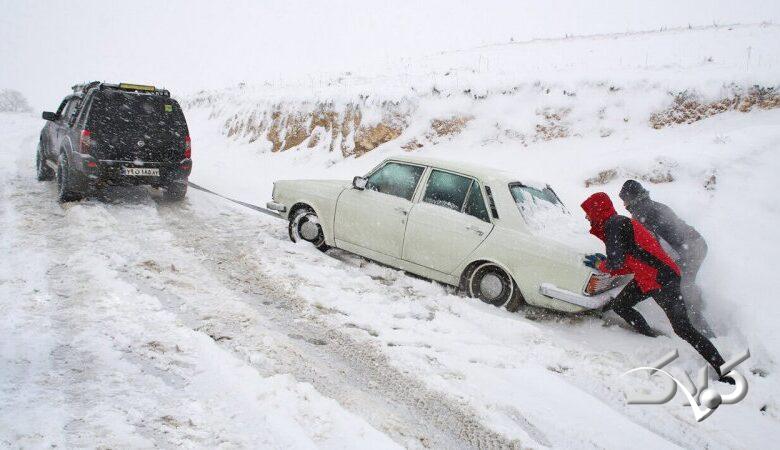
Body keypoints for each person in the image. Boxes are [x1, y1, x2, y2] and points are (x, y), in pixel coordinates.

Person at [581, 192, 731, 382]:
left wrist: (601, 265)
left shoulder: (614, 225)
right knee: (621, 306)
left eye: (588, 213)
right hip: (648, 278)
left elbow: (617, 264)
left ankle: (724, 369)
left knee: (683, 328)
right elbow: (629, 263)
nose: (587, 217)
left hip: (662, 280)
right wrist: (606, 263)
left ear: (597, 211)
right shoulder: (618, 223)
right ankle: (649, 338)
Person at [619, 180, 713, 336]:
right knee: (686, 284)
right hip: (698, 245)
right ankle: (700, 305)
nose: (624, 205)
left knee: (682, 291)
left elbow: (651, 245)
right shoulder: (655, 205)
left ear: (630, 197)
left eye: (625, 200)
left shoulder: (640, 213)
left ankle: (706, 333)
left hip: (688, 252)